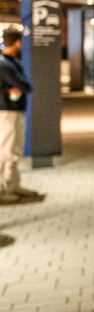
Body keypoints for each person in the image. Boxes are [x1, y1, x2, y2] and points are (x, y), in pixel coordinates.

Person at [0, 26, 41, 204]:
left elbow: (24, 85)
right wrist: (19, 86)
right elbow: (25, 85)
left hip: (14, 109)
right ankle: (4, 188)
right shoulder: (5, 64)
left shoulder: (10, 62)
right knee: (7, 150)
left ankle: (13, 184)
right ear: (17, 42)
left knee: (14, 150)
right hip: (7, 110)